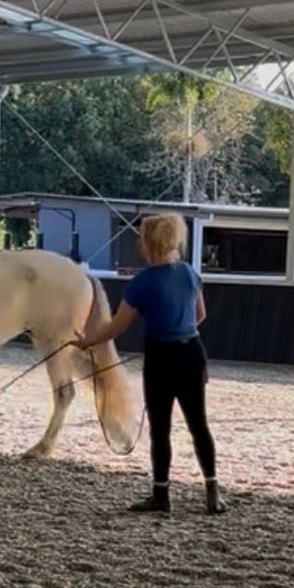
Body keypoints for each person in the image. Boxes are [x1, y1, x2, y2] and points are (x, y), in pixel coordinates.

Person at [74, 213, 226, 515]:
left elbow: (117, 327)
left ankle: (161, 494)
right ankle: (213, 493)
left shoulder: (141, 283)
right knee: (199, 424)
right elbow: (200, 315)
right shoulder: (188, 273)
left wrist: (86, 342)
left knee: (161, 428)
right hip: (192, 353)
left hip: (161, 357)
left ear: (149, 243)